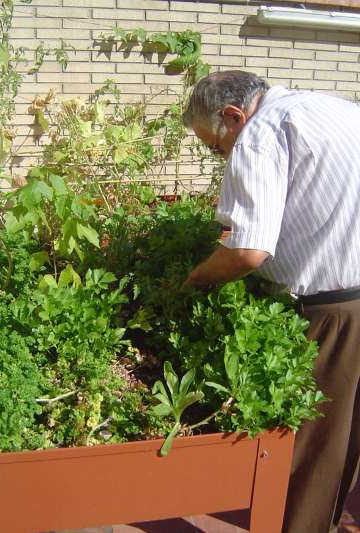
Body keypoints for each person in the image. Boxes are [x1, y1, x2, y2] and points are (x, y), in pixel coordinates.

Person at [182, 70, 360, 533]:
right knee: (349, 440)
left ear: (233, 115)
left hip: (337, 312)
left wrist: (197, 279)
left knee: (312, 449)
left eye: (215, 147)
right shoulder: (331, 108)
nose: (220, 156)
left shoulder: (260, 134)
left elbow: (246, 251)